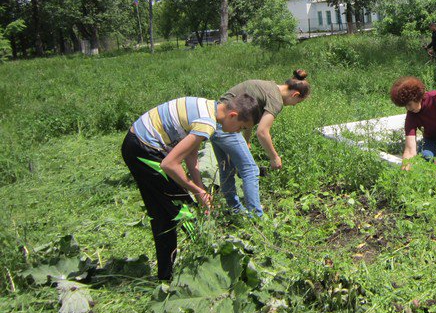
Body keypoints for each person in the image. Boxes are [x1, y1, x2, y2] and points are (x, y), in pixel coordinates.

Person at [121, 94, 261, 281]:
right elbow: (169, 164)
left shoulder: (208, 106)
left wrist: (199, 188)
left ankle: (166, 276)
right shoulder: (207, 123)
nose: (236, 132)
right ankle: (211, 269)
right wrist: (197, 191)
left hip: (135, 144)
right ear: (233, 115)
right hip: (145, 149)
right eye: (241, 128)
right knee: (186, 213)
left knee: (163, 215)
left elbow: (190, 155)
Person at [211, 70, 311, 217]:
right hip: (228, 123)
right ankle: (256, 217)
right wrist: (274, 157)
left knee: (227, 168)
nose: (294, 105)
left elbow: (248, 114)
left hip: (214, 119)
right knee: (250, 170)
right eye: (297, 103)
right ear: (295, 95)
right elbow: (263, 132)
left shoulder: (268, 87)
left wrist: (246, 140)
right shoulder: (276, 100)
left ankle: (235, 210)